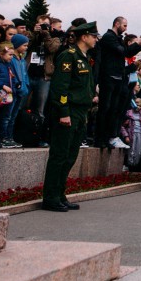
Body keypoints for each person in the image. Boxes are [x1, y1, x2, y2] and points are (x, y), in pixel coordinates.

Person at [40, 21, 98, 212]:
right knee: (59, 155)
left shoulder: (84, 57)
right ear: (84, 37)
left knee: (70, 156)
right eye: (93, 36)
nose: (95, 39)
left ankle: (60, 194)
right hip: (68, 111)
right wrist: (64, 112)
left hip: (80, 112)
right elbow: (60, 87)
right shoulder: (69, 56)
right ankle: (50, 197)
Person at [95, 16, 141, 149]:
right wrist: (137, 45)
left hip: (117, 78)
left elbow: (126, 53)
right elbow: (123, 52)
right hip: (108, 77)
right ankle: (100, 138)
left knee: (114, 109)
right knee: (105, 108)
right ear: (117, 24)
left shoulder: (118, 39)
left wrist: (139, 45)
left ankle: (109, 137)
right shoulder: (109, 37)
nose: (126, 28)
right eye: (124, 25)